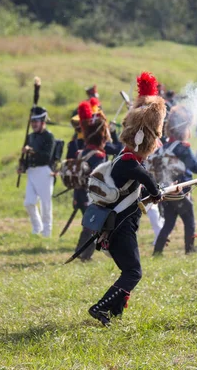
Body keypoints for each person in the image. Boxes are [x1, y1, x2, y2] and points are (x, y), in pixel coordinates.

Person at [87, 71, 167, 326]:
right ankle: (99, 308)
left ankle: (113, 313)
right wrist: (157, 192)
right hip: (120, 228)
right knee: (134, 272)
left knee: (129, 271)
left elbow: (142, 189)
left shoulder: (127, 160)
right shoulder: (130, 163)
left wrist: (162, 192)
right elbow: (148, 183)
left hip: (119, 225)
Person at [152, 105, 197, 255]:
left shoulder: (164, 147)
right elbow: (195, 167)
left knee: (169, 224)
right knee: (189, 221)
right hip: (179, 191)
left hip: (166, 192)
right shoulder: (182, 147)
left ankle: (157, 252)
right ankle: (189, 251)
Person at [72, 101, 114, 261]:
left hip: (81, 195)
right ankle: (84, 255)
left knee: (90, 226)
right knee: (92, 227)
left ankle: (81, 253)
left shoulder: (80, 153)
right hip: (92, 197)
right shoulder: (98, 156)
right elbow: (101, 179)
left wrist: (76, 198)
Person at [19, 107, 56, 237]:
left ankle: (47, 232)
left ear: (42, 122)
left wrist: (30, 151)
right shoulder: (30, 137)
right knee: (29, 202)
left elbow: (46, 157)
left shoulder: (49, 137)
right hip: (31, 172)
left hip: (44, 172)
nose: (34, 124)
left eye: (36, 121)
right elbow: (28, 158)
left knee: (45, 205)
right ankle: (37, 226)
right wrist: (22, 166)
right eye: (32, 121)